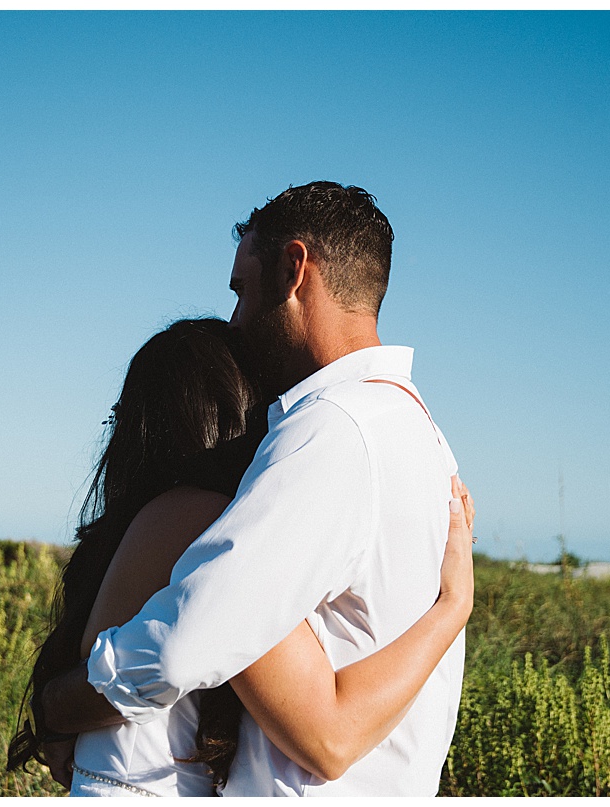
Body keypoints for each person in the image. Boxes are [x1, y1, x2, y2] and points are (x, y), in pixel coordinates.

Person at [42, 182, 465, 796]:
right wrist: (454, 609)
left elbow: (185, 645)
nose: (236, 319)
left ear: (294, 270)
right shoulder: (421, 434)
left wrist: (59, 707)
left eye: (241, 289)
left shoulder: (331, 429)